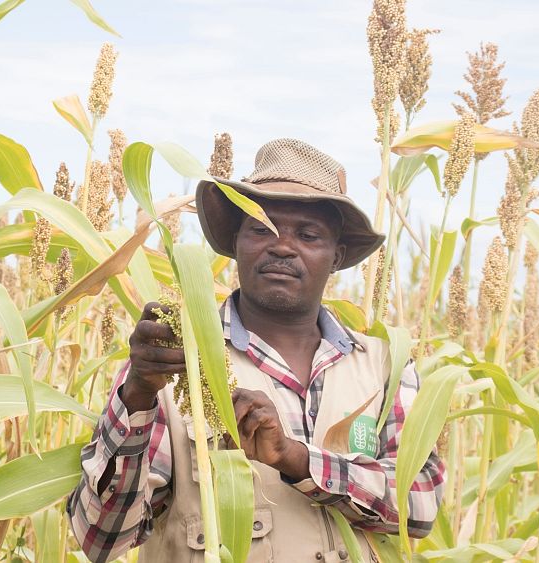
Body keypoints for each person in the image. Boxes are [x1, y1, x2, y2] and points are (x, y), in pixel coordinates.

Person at [68, 138, 445, 562]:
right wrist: (137, 394)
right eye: (261, 228)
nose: (282, 246)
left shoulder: (384, 366)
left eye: (308, 234)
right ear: (235, 242)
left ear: (336, 256)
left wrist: (296, 460)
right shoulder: (173, 359)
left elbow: (421, 506)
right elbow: (100, 538)